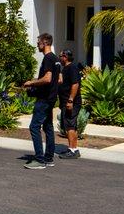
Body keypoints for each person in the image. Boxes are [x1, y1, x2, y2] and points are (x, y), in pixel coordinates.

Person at [23, 33, 61, 169]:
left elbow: (47, 78)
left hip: (44, 99)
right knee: (48, 127)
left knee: (34, 127)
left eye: (38, 42)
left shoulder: (48, 59)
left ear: (45, 43)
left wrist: (32, 83)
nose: (37, 45)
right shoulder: (56, 59)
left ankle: (39, 160)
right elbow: (59, 79)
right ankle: (49, 158)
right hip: (51, 98)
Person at [58, 49, 82, 159]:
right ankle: (73, 148)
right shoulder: (66, 68)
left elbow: (75, 84)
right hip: (66, 102)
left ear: (65, 57)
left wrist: (70, 100)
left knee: (70, 126)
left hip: (71, 102)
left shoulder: (72, 68)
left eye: (60, 56)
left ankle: (72, 150)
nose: (59, 58)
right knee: (70, 126)